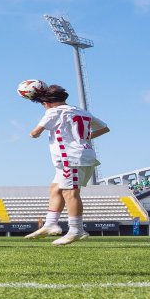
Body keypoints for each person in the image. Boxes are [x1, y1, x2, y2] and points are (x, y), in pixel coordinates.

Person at [23, 83, 109, 246]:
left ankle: (77, 230)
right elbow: (105, 128)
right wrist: (82, 138)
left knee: (71, 193)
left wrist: (32, 134)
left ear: (46, 103)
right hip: (79, 155)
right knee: (55, 188)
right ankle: (50, 224)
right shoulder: (81, 111)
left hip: (70, 158)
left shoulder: (52, 112)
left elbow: (35, 132)